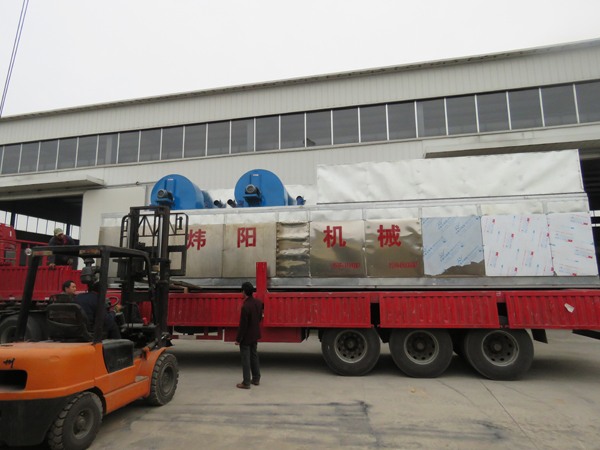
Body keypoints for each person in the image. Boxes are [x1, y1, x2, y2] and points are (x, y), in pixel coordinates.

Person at [235, 281, 263, 389]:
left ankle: (246, 382)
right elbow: (259, 318)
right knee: (254, 356)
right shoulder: (258, 303)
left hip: (246, 337)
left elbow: (243, 325)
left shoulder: (245, 306)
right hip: (255, 334)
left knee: (245, 359)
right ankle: (256, 378)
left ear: (244, 291)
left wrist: (238, 339)